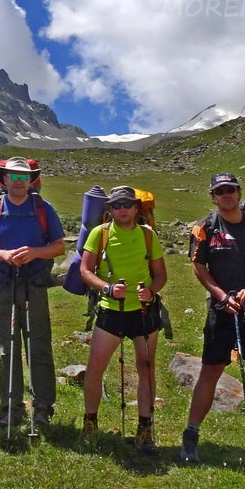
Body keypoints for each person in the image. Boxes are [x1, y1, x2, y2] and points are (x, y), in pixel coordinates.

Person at [180, 172, 245, 470]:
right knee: (210, 370)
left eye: (230, 190)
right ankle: (191, 435)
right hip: (221, 309)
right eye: (219, 191)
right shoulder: (204, 228)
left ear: (239, 193)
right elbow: (198, 266)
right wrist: (220, 296)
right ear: (213, 197)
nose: (225, 195)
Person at [0, 156, 65, 428]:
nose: (18, 181)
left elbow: (59, 246)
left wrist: (35, 253)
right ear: (3, 179)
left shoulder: (43, 208)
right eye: (13, 176)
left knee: (38, 344)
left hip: (34, 284)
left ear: (31, 180)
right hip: (4, 283)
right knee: (7, 345)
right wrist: (4, 255)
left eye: (23, 176)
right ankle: (12, 407)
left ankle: (43, 407)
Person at [78, 186, 167, 455]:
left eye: (127, 204)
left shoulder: (148, 236)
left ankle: (145, 429)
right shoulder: (100, 233)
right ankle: (90, 422)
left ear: (137, 207)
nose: (122, 209)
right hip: (110, 309)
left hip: (143, 309)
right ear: (109, 209)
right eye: (117, 205)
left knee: (146, 369)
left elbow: (161, 274)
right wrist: (106, 288)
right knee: (95, 369)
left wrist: (151, 291)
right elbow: (85, 269)